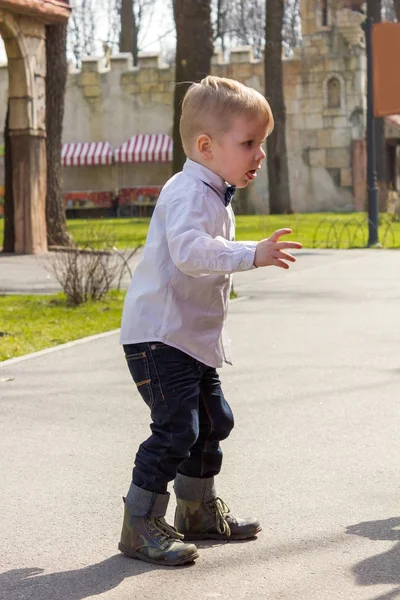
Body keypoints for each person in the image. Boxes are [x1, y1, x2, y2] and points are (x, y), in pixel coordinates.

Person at [118, 75, 302, 567]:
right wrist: (251, 254)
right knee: (177, 427)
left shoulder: (213, 191)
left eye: (261, 143)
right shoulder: (188, 192)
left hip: (189, 340)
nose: (259, 154)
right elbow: (189, 251)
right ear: (206, 145)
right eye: (249, 143)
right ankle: (139, 524)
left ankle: (196, 512)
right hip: (159, 337)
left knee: (213, 421)